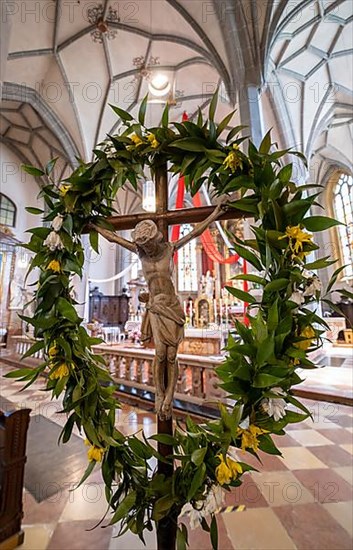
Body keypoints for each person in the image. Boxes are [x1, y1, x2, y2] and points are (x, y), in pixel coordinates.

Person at [91, 201, 227, 419]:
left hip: (171, 305)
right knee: (160, 353)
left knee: (172, 356)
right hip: (155, 305)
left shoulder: (169, 249)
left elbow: (195, 232)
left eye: (149, 245)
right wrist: (94, 226)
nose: (147, 249)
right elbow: (114, 237)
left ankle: (169, 397)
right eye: (143, 246)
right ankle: (158, 395)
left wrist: (215, 213)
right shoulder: (141, 254)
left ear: (155, 240)